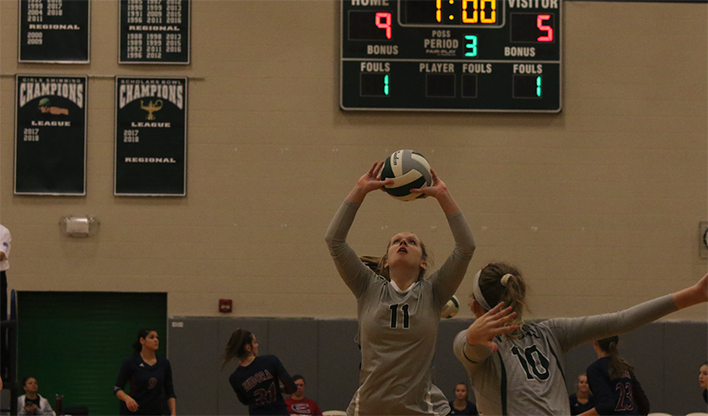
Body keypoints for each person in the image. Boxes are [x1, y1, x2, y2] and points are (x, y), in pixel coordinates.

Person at [453, 263, 708, 416]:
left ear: (475, 307)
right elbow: (622, 320)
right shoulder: (549, 332)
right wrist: (693, 295)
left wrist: (473, 335)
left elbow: (469, 345)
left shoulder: (470, 342)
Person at [325, 161, 476, 415]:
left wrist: (443, 196)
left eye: (412, 242)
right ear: (386, 260)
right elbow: (334, 240)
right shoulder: (367, 287)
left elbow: (465, 248)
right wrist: (360, 190)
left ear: (423, 262)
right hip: (369, 409)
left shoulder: (433, 292)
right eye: (396, 241)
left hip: (423, 409)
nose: (403, 242)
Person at [224, 329, 296, 415]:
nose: (257, 345)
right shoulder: (270, 360)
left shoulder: (235, 377)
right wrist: (276, 389)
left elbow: (245, 401)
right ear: (248, 348)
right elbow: (292, 387)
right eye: (255, 342)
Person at [579, 336, 649, 416]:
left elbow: (606, 405)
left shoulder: (596, 368)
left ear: (595, 343)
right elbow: (644, 406)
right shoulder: (625, 367)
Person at [114, 328, 176, 415]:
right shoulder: (130, 363)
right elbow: (117, 388)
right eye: (151, 337)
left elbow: (170, 392)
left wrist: (173, 413)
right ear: (142, 340)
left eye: (157, 337)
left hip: (157, 411)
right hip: (136, 411)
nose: (156, 340)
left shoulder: (164, 363)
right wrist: (127, 398)